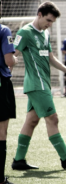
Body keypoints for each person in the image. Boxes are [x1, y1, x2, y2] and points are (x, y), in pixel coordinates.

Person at [12, 2, 66, 170]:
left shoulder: (45, 34)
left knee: (31, 121)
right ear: (39, 14)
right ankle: (65, 158)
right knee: (53, 118)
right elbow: (13, 55)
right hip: (36, 84)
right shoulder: (25, 32)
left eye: (52, 21)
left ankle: (18, 160)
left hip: (42, 83)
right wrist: (7, 69)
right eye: (48, 20)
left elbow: (50, 58)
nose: (49, 24)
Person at [0, 24, 18, 184]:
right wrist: (15, 59)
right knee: (1, 131)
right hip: (1, 83)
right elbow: (9, 60)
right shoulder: (4, 30)